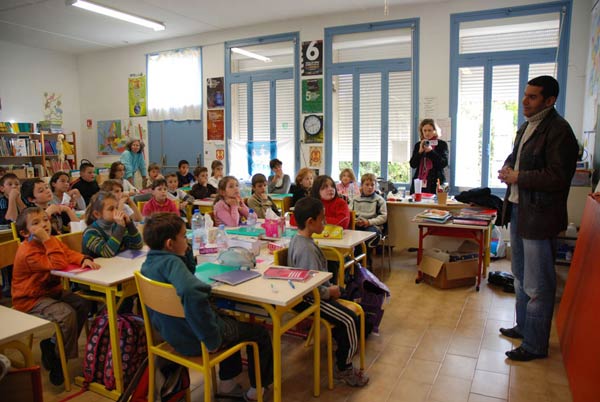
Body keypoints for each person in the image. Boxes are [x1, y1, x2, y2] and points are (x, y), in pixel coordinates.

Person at [140, 212, 273, 401]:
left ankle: (227, 382)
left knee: (231, 322)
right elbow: (191, 291)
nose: (187, 239)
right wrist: (211, 339)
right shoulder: (171, 263)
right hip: (196, 339)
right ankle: (257, 390)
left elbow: (187, 272)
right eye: (183, 236)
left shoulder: (149, 264)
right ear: (170, 244)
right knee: (259, 333)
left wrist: (185, 251)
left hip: (172, 335)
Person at [498, 75, 578, 361]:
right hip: (519, 210)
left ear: (550, 100)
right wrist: (508, 169)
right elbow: (514, 157)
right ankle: (523, 327)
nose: (525, 101)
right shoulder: (526, 127)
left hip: (541, 217)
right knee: (519, 278)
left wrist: (519, 176)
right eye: (525, 95)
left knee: (538, 285)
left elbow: (558, 176)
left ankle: (535, 345)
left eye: (532, 97)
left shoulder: (559, 130)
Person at [11, 207, 99, 385]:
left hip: (51, 292)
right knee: (66, 314)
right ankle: (60, 361)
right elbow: (58, 263)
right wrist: (47, 239)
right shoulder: (28, 252)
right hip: (30, 299)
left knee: (83, 304)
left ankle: (52, 345)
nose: (44, 225)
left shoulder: (50, 242)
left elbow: (66, 253)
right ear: (24, 232)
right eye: (36, 223)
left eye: (45, 220)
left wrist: (82, 259)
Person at [287, 197, 368, 387]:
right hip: (310, 299)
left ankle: (345, 343)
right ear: (310, 222)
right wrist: (330, 292)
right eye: (322, 219)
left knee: (354, 297)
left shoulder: (302, 239)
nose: (325, 222)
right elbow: (310, 289)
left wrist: (332, 289)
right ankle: (344, 368)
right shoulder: (305, 248)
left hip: (317, 292)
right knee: (350, 320)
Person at [82, 191, 144, 258]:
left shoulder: (116, 226)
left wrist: (129, 224)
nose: (116, 211)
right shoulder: (90, 232)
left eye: (117, 208)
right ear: (97, 214)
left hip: (116, 265)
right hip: (99, 267)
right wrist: (120, 228)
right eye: (111, 209)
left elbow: (137, 245)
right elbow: (107, 253)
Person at [409, 119, 449, 194]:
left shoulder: (442, 144)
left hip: (437, 182)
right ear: (422, 131)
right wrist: (420, 152)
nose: (427, 133)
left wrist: (431, 152)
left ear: (435, 131)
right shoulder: (418, 144)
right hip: (419, 182)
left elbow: (444, 163)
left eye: (430, 130)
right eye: (425, 130)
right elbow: (412, 164)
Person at [351, 173, 388, 249]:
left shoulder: (379, 200)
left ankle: (365, 257)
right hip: (357, 224)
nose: (370, 187)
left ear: (375, 186)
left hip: (373, 226)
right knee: (352, 234)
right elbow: (349, 213)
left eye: (372, 185)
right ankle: (361, 258)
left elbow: (383, 217)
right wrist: (356, 221)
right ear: (362, 185)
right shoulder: (355, 199)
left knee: (368, 235)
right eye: (367, 185)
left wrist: (368, 222)